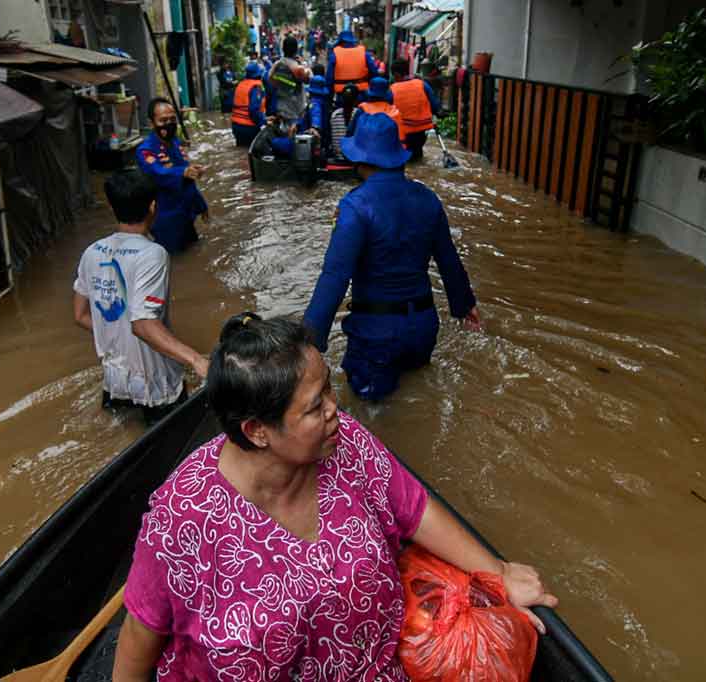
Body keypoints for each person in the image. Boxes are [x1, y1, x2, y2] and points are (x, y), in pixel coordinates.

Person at [111, 313, 556, 681]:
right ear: (257, 431)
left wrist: (497, 573)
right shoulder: (182, 518)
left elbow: (415, 508)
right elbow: (139, 634)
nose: (333, 409)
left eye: (327, 388)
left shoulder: (348, 446)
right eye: (313, 406)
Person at [303, 113, 481, 401]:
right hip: (423, 329)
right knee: (420, 400)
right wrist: (464, 304)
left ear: (360, 159)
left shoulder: (356, 206)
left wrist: (310, 340)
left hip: (376, 335)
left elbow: (335, 276)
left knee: (373, 415)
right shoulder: (427, 198)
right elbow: (449, 260)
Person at [72, 170, 208, 425]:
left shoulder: (92, 252)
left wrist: (118, 330)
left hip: (114, 379)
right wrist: (197, 360)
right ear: (153, 206)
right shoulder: (152, 254)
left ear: (112, 207)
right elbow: (143, 324)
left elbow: (80, 316)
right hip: (154, 382)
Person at [135, 98, 208, 254]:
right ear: (152, 123)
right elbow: (157, 172)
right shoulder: (145, 150)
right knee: (172, 260)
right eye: (163, 120)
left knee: (194, 254)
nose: (169, 124)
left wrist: (201, 205)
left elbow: (187, 179)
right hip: (165, 219)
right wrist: (183, 172)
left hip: (185, 214)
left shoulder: (174, 143)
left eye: (172, 119)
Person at [390, 58, 443, 161]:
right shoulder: (422, 84)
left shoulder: (392, 89)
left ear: (396, 74)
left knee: (403, 160)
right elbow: (435, 106)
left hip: (403, 134)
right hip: (421, 132)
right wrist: (437, 114)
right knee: (418, 157)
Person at [265, 36, 311, 127]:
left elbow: (270, 80)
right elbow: (308, 79)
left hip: (280, 108)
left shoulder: (277, 65)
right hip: (296, 109)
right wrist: (304, 64)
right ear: (296, 49)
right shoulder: (297, 67)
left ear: (283, 49)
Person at [347, 76, 406, 142]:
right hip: (389, 150)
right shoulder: (396, 112)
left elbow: (350, 133)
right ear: (387, 94)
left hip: (366, 149)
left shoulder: (362, 110)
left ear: (369, 93)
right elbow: (402, 140)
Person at [326, 29, 379, 101]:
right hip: (361, 94)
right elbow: (374, 72)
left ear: (340, 41)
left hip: (342, 95)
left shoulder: (334, 54)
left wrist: (330, 95)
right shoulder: (364, 53)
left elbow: (329, 77)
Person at [230, 62, 267, 147]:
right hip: (248, 127)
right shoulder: (256, 87)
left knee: (240, 151)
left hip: (236, 126)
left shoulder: (240, 85)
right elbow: (254, 110)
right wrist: (264, 122)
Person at [298, 74, 332, 156]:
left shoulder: (315, 102)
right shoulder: (325, 103)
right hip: (324, 142)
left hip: (307, 142)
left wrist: (315, 127)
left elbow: (316, 114)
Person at [329, 83, 360, 159]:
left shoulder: (334, 115)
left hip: (337, 158)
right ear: (356, 100)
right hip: (354, 160)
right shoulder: (359, 114)